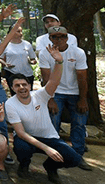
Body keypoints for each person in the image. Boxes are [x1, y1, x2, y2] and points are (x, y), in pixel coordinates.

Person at [7, 36, 82, 183]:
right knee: (21, 147)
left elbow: (54, 81)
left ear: (29, 85)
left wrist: (59, 61)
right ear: (12, 88)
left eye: (24, 84)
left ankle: (50, 166)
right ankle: (24, 164)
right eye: (17, 86)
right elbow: (21, 133)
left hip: (50, 137)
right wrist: (46, 149)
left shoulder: (40, 95)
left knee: (75, 159)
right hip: (27, 138)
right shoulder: (10, 104)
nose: (21, 88)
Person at [38, 26, 92, 170]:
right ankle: (56, 155)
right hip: (55, 92)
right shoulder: (44, 53)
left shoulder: (78, 52)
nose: (59, 40)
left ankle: (78, 156)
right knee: (53, 124)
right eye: (55, 37)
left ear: (67, 38)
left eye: (62, 36)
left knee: (79, 123)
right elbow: (46, 78)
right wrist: (50, 99)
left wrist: (83, 99)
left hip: (75, 92)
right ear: (50, 39)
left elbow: (82, 78)